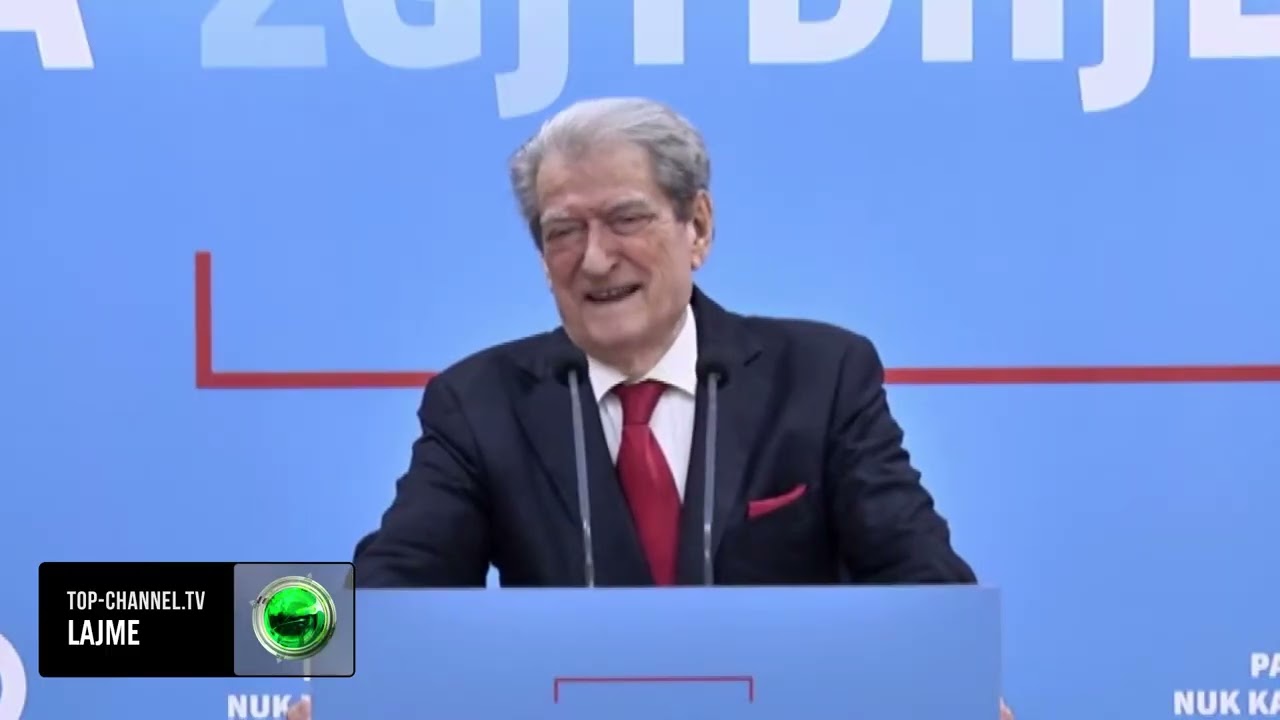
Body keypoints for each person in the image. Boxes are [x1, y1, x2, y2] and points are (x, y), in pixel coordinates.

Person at [290, 96, 1014, 719]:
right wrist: (338, 685)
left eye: (625, 219)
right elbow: (397, 582)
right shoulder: (480, 403)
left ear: (697, 225)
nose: (595, 258)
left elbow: (919, 575)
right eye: (563, 231)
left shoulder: (821, 377)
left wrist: (957, 685)